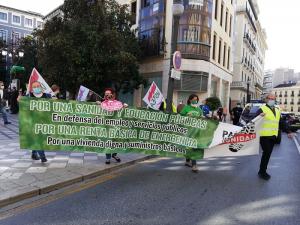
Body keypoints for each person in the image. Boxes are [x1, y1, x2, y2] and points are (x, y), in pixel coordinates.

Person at [256, 93, 293, 180]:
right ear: (266, 99)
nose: (271, 100)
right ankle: (262, 172)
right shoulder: (262, 109)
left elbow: (280, 122)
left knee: (267, 154)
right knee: (267, 152)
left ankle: (262, 171)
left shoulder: (277, 109)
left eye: (273, 99)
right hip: (264, 136)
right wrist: (258, 116)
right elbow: (254, 120)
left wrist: (288, 132)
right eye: (270, 98)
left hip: (273, 136)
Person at [25, 81, 50, 163]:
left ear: (41, 87)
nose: (36, 88)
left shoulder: (47, 95)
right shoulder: (29, 96)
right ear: (32, 89)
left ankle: (34, 153)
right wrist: (19, 101)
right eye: (34, 87)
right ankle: (43, 157)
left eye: (38, 86)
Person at [97, 88, 123, 164]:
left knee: (116, 142)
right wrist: (98, 105)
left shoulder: (118, 103)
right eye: (105, 94)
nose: (107, 95)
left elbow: (121, 111)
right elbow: (99, 113)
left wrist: (125, 107)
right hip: (107, 127)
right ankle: (108, 158)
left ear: (113, 95)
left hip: (116, 127)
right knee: (108, 142)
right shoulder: (102, 103)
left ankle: (114, 155)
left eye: (108, 94)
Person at [180, 94, 203, 173]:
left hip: (196, 131)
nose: (195, 101)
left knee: (193, 147)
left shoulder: (199, 109)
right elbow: (180, 117)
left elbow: (202, 119)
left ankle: (188, 162)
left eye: (196, 100)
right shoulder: (186, 108)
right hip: (188, 131)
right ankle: (194, 165)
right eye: (193, 99)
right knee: (190, 146)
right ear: (190, 100)